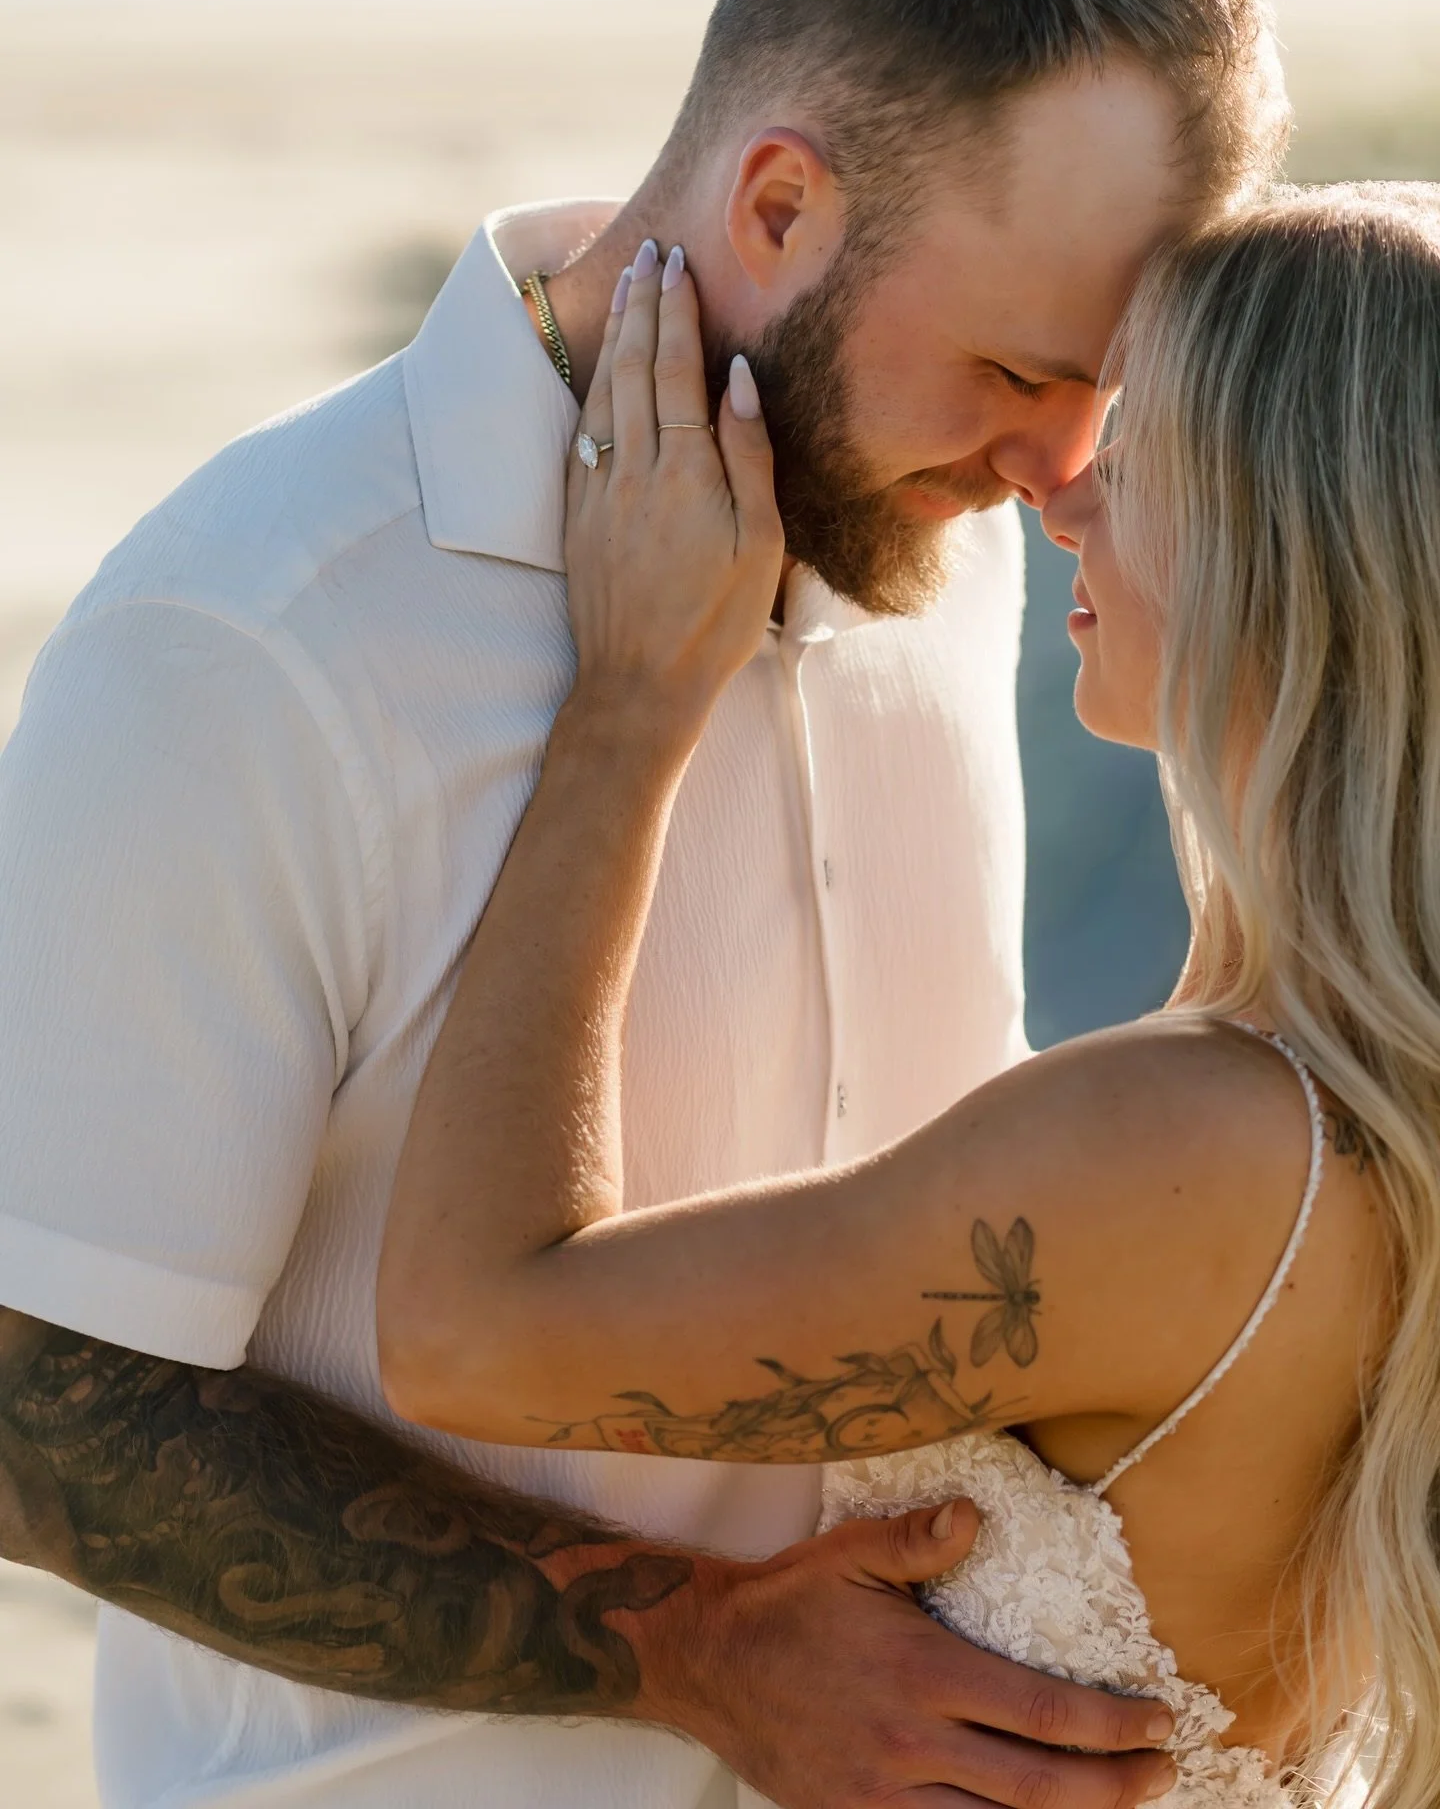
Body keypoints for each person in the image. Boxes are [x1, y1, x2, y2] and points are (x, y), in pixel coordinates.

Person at [0, 0, 1286, 1806]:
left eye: (1108, 389)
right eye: (1022, 373)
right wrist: (687, 1650)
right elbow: (36, 1418)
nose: (1057, 465)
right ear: (778, 209)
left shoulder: (952, 554)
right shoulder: (247, 641)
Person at [376, 182, 1440, 1809]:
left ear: (1280, 541)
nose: (1060, 503)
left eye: (1137, 450)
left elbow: (467, 1333)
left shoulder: (1183, 1145)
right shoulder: (1362, 1104)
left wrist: (630, 709)